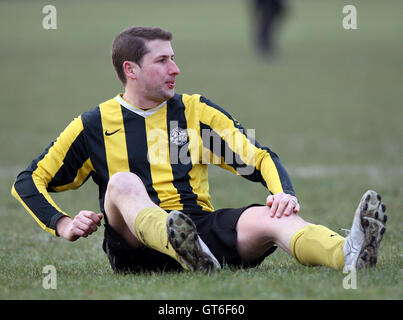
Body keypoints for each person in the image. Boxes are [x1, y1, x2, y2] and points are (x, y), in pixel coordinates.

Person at [11, 26, 387, 274]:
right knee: (123, 183)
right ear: (131, 69)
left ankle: (348, 254)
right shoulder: (94, 125)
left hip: (199, 231)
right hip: (135, 247)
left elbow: (257, 157)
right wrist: (62, 223)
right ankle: (179, 243)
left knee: (274, 220)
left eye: (173, 58)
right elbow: (29, 181)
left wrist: (282, 192)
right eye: (163, 60)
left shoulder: (193, 114)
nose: (176, 68)